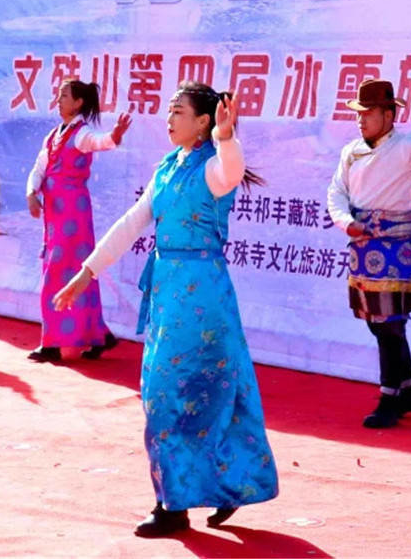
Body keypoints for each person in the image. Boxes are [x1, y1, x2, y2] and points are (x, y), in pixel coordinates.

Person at [55, 83, 278, 538]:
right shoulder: (166, 168)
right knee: (175, 394)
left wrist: (227, 135)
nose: (169, 118)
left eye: (179, 111)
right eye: (169, 110)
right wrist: (85, 274)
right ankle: (204, 490)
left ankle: (175, 505)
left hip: (203, 300)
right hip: (167, 295)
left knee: (198, 393)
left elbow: (232, 169)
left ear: (202, 122)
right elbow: (130, 224)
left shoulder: (214, 167)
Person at [325, 78, 411, 429]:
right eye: (359, 114)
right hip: (365, 245)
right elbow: (336, 192)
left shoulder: (407, 147)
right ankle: (407, 390)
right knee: (378, 323)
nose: (361, 120)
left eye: (369, 113)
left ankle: (388, 398)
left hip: (396, 247)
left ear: (389, 114)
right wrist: (347, 222)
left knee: (390, 325)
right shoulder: (351, 151)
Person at [24, 79, 131, 363]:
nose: (59, 99)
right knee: (70, 274)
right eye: (59, 95)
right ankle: (100, 335)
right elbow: (38, 168)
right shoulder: (53, 135)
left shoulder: (81, 134)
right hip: (55, 217)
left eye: (64, 96)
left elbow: (100, 141)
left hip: (74, 215)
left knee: (64, 272)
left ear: (78, 103)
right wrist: (31, 193)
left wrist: (115, 136)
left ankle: (51, 344)